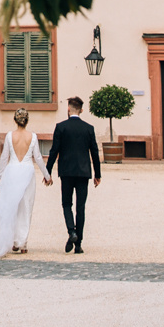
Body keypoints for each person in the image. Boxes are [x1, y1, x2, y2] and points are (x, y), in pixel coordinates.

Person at [43, 95, 102, 254]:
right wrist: (98, 174)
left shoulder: (61, 127)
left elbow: (54, 151)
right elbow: (94, 152)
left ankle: (72, 232)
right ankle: (78, 245)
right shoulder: (88, 128)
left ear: (68, 109)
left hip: (66, 172)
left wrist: (47, 172)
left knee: (66, 204)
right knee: (80, 207)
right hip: (83, 172)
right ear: (82, 110)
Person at [0, 110, 41, 258]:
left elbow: (4, 158)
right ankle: (23, 243)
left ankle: (15, 241)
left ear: (15, 120)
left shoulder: (9, 136)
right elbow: (38, 158)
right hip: (27, 172)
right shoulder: (33, 136)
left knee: (13, 207)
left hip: (12, 172)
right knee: (26, 207)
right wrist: (47, 176)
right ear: (27, 121)